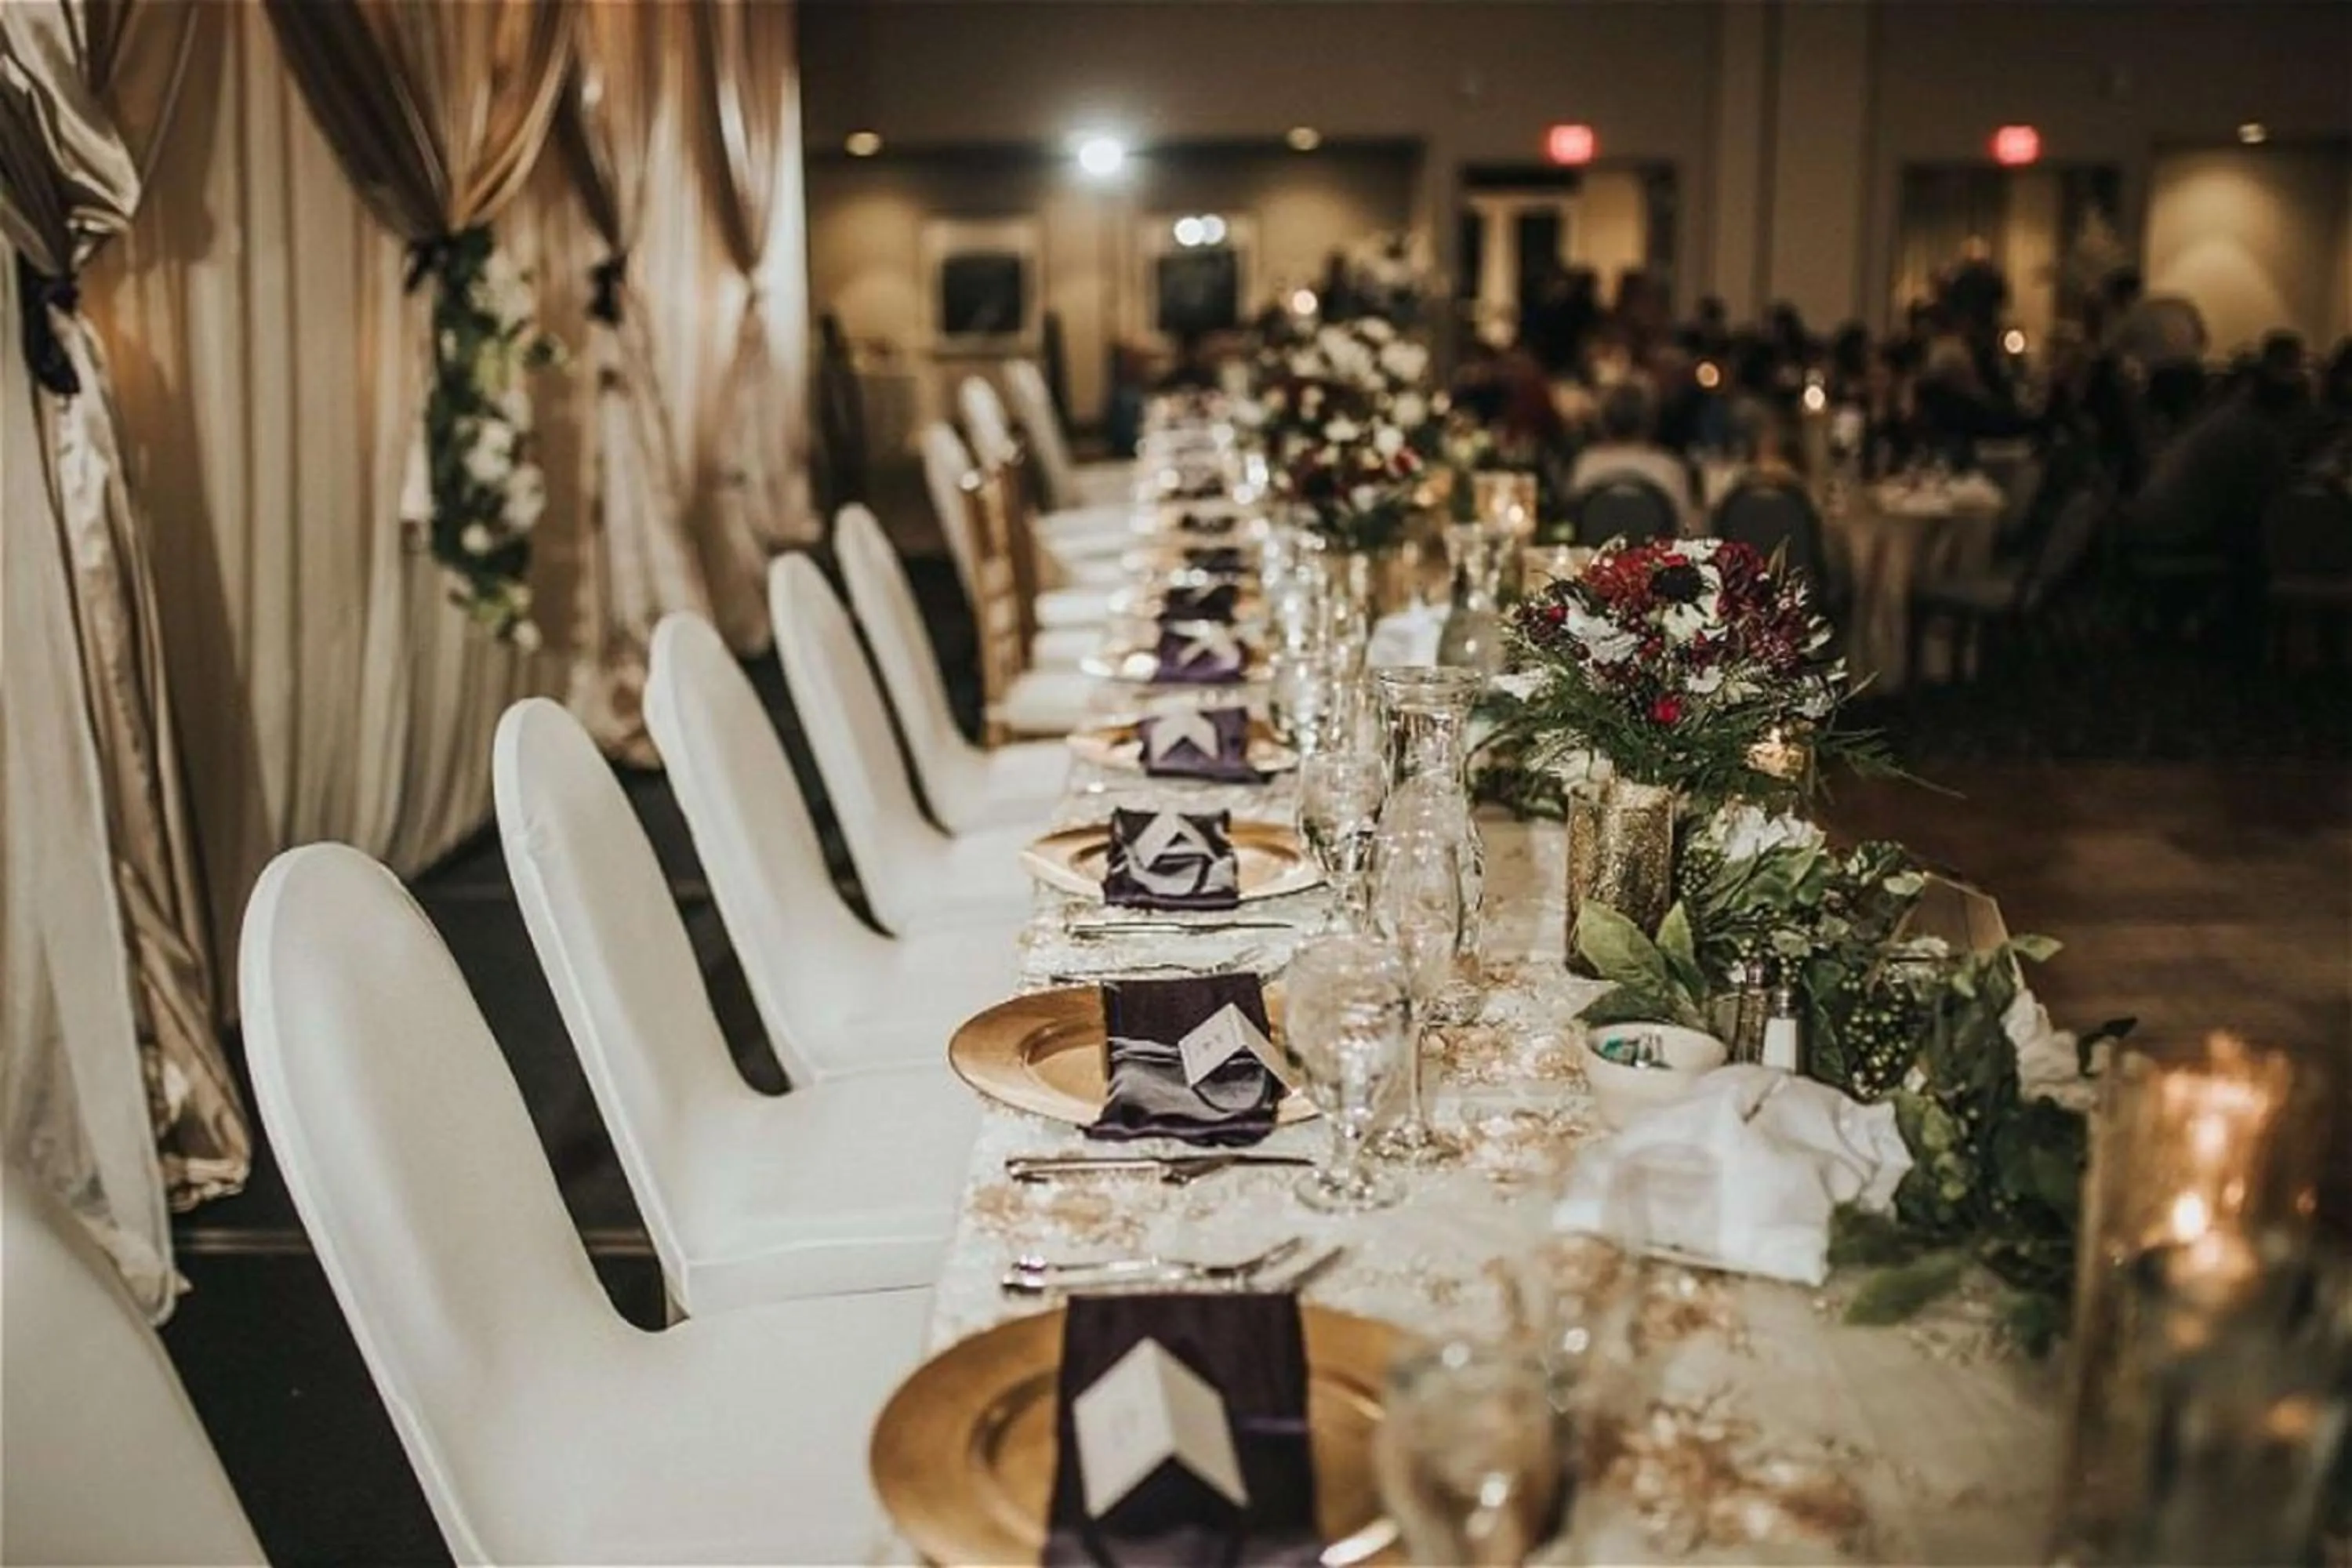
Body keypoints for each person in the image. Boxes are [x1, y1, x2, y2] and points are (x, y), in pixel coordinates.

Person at [1569, 380, 1700, 535]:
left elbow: (1572, 528)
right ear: (1651, 421)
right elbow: (1688, 531)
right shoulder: (1669, 467)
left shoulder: (1585, 463)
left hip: (1595, 558)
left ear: (1603, 421)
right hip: (1655, 558)